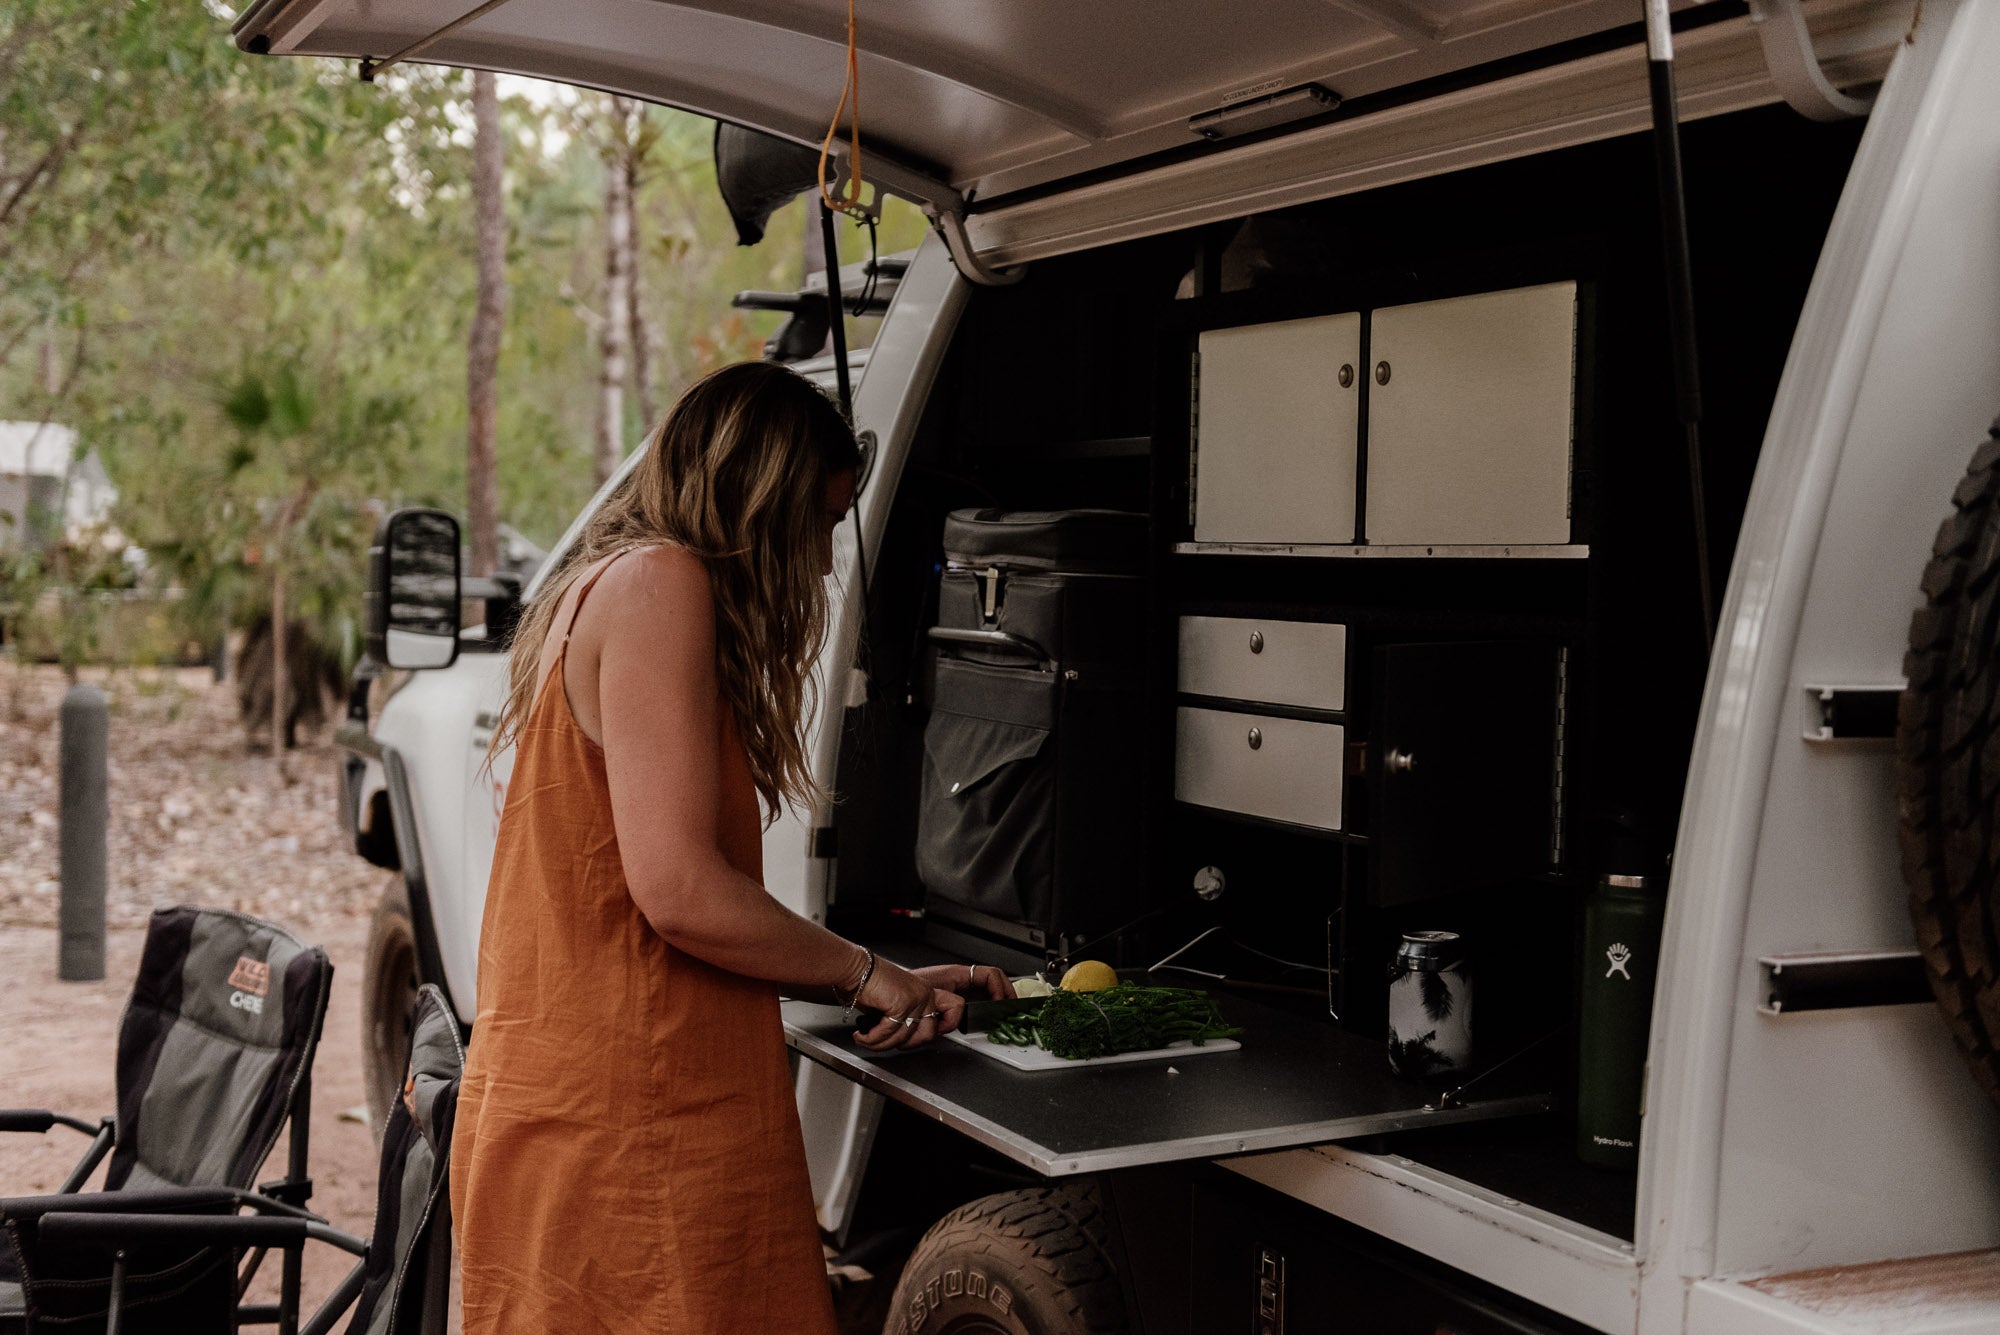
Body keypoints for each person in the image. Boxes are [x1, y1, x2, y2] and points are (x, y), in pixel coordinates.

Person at [449, 361, 1015, 1335]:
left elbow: (649, 921)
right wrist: (867, 972)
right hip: (630, 1131)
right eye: (824, 526)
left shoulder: (605, 585)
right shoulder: (658, 584)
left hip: (599, 1107)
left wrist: (893, 978)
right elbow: (675, 891)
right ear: (760, 504)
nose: (827, 565)